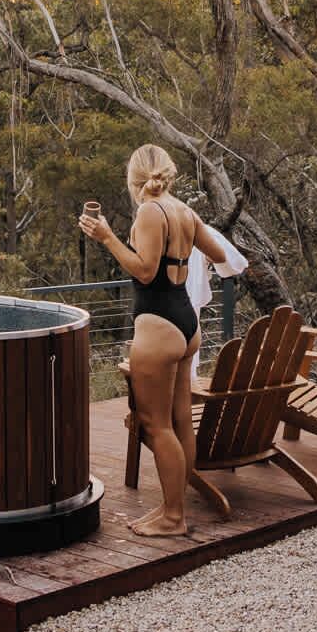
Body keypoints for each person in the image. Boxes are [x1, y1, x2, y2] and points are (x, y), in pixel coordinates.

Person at [78, 144, 226, 536]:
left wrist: (108, 237)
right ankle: (171, 508)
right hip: (186, 321)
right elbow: (217, 252)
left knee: (156, 425)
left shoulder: (148, 211)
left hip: (158, 324)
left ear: (134, 179)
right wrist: (182, 254)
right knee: (180, 423)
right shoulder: (182, 209)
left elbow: (144, 272)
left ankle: (174, 517)